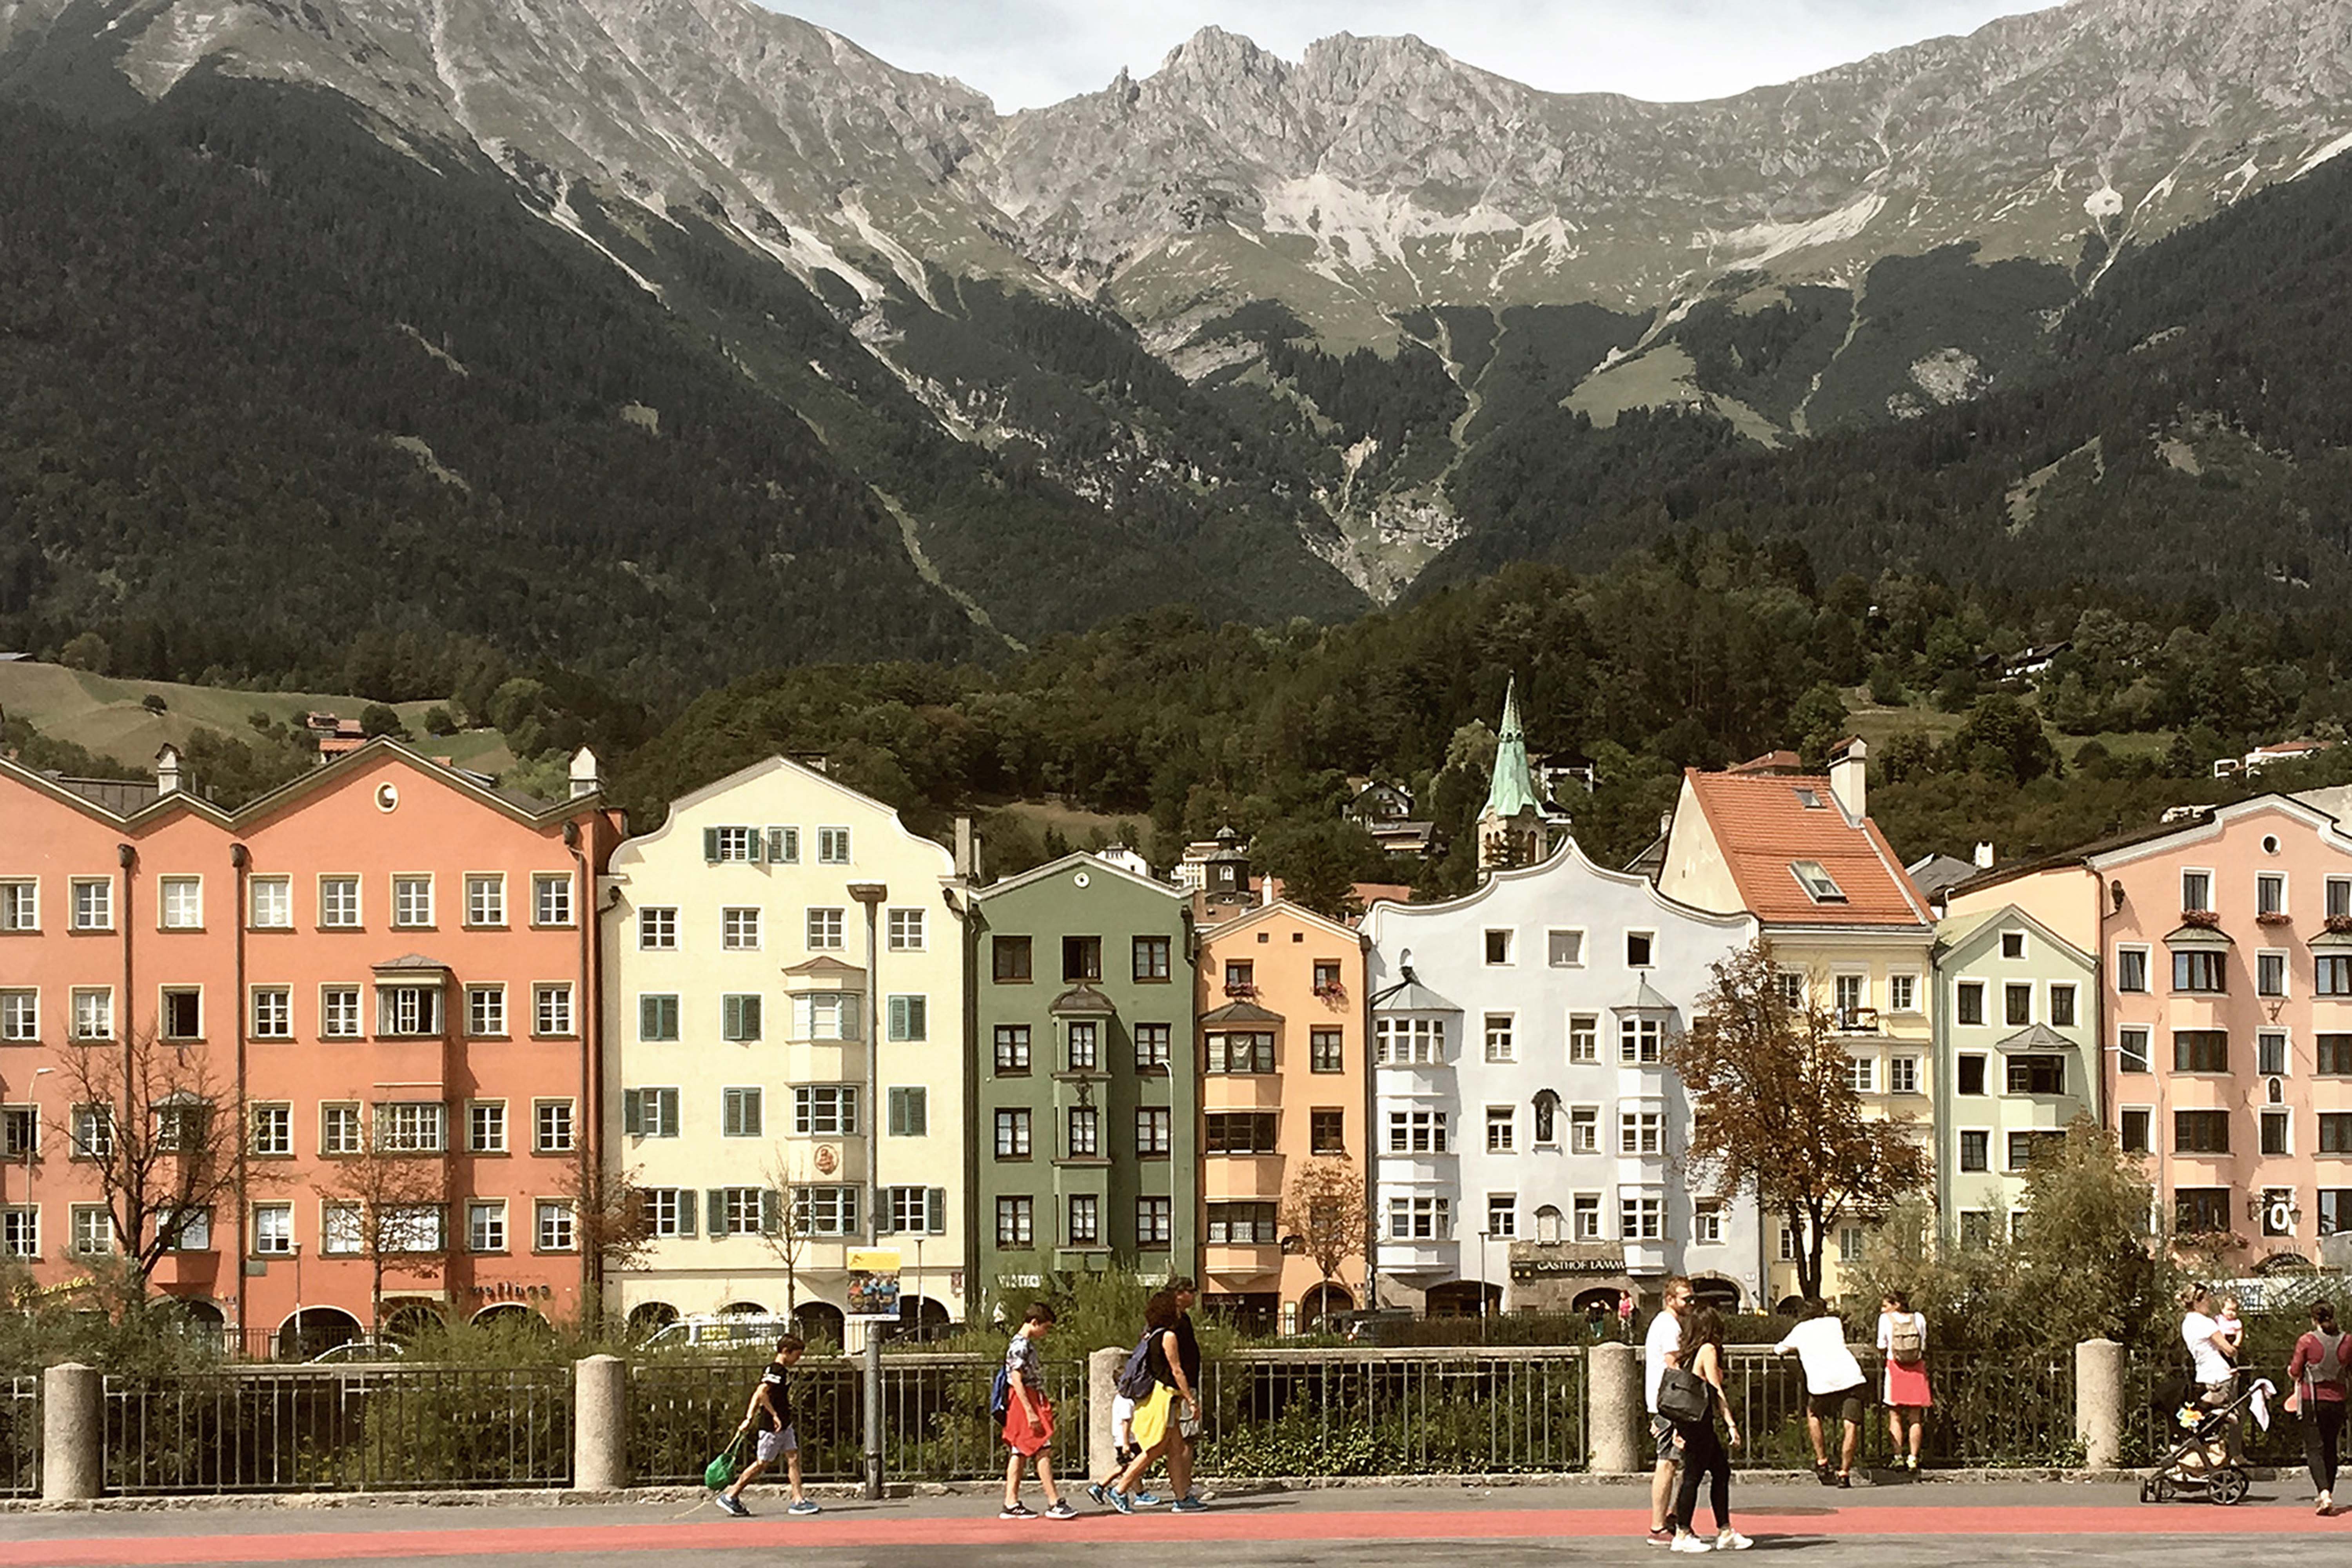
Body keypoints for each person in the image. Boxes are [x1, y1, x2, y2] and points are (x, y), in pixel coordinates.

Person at [1093, 1290, 1194, 1513]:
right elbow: (1177, 1371)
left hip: (1158, 1396)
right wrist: (1191, 1400)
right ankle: (1119, 1490)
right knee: (1155, 1448)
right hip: (1164, 1397)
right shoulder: (1168, 1336)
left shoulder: (1151, 1335)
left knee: (1176, 1448)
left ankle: (1181, 1497)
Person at [1669, 1303, 1752, 1554]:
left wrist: (1677, 1428)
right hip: (1701, 1423)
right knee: (1693, 1477)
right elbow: (1716, 1391)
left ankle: (1725, 1530)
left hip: (1691, 1422)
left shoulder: (1689, 1352)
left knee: (1720, 1471)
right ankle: (1683, 1532)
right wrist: (1731, 1424)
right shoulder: (1708, 1350)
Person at [715, 1334, 817, 1517]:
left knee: (793, 1458)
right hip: (773, 1427)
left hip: (785, 1425)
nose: (798, 1359)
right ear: (786, 1352)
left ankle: (798, 1500)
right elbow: (762, 1393)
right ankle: (731, 1495)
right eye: (797, 1355)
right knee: (762, 1464)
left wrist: (749, 1417)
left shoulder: (778, 1370)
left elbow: (758, 1393)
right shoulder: (777, 1370)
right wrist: (772, 1415)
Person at [1774, 1299, 1868, 1486]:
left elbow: (1779, 1349)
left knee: (1814, 1414)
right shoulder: (1835, 1322)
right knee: (1850, 1426)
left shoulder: (1800, 1330)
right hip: (1851, 1377)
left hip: (1821, 1383)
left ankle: (1822, 1461)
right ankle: (1844, 1473)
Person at [1001, 1302, 1075, 1520]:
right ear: (1035, 1323)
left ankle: (1011, 1502)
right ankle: (1054, 1501)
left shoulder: (1021, 1344)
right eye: (1046, 1327)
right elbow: (1016, 1379)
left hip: (1027, 1399)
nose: (1046, 1332)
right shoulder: (1020, 1346)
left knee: (1021, 1450)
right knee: (1042, 1447)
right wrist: (1030, 1411)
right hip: (1027, 1399)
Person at [1644, 1276, 1694, 1547]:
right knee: (1668, 1461)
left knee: (1681, 1459)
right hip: (1670, 1402)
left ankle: (1672, 1516)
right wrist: (1676, 1411)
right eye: (1686, 1299)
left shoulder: (1666, 1323)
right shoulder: (1669, 1325)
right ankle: (1658, 1525)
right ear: (1670, 1299)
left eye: (1691, 1298)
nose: (1690, 1303)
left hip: (1665, 1402)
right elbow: (1673, 1365)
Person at [2287, 1299, 2349, 1514]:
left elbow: (2296, 1371)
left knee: (2315, 1448)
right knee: (2332, 1447)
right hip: (2338, 1400)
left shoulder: (2307, 1341)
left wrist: (2293, 1372)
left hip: (2312, 1399)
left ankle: (2324, 1493)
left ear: (2314, 1319)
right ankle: (2328, 1492)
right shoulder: (2348, 1341)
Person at [2180, 1285, 2239, 1466]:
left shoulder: (2187, 1323)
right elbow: (2228, 1350)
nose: (2210, 1303)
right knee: (2228, 1414)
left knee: (2206, 1418)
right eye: (2207, 1299)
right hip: (2219, 1374)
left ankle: (2213, 1455)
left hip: (2203, 1374)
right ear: (2198, 1302)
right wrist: (2235, 1345)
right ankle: (2228, 1457)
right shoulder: (2206, 1323)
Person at [1163, 1276, 1208, 1512]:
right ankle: (1184, 1491)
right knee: (1185, 1441)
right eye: (1191, 1291)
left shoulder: (1173, 1320)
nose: (1194, 1295)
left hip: (1180, 1387)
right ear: (1179, 1294)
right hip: (1182, 1387)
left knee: (1174, 1443)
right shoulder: (1175, 1323)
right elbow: (1176, 1363)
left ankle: (1182, 1490)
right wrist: (1189, 1397)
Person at [1877, 1290, 1933, 1473]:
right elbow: (1923, 1345)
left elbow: (1881, 1345)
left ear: (1896, 1305)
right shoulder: (1919, 1318)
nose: (1883, 1309)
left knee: (1895, 1415)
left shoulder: (1885, 1320)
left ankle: (1897, 1456)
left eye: (1886, 1305)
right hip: (1917, 1368)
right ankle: (1913, 1458)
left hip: (1895, 1368)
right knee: (1915, 1417)